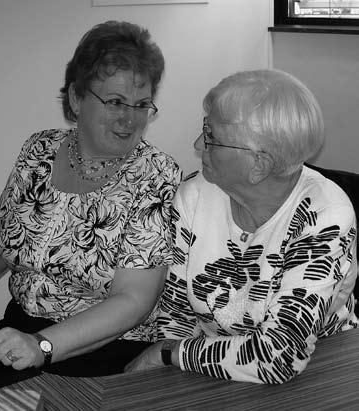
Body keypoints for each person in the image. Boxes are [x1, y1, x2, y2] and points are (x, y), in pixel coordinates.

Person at [0, 20, 181, 377]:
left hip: (106, 351)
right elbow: (1, 235)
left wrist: (43, 345)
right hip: (19, 330)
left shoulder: (155, 174)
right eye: (116, 102)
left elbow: (134, 302)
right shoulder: (39, 150)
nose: (129, 118)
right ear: (76, 98)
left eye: (141, 105)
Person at [125, 69, 358, 384]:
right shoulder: (194, 195)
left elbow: (279, 356)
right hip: (207, 366)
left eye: (211, 137)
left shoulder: (325, 214)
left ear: (259, 165)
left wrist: (169, 353)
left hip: (318, 371)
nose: (197, 144)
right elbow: (176, 314)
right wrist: (172, 375)